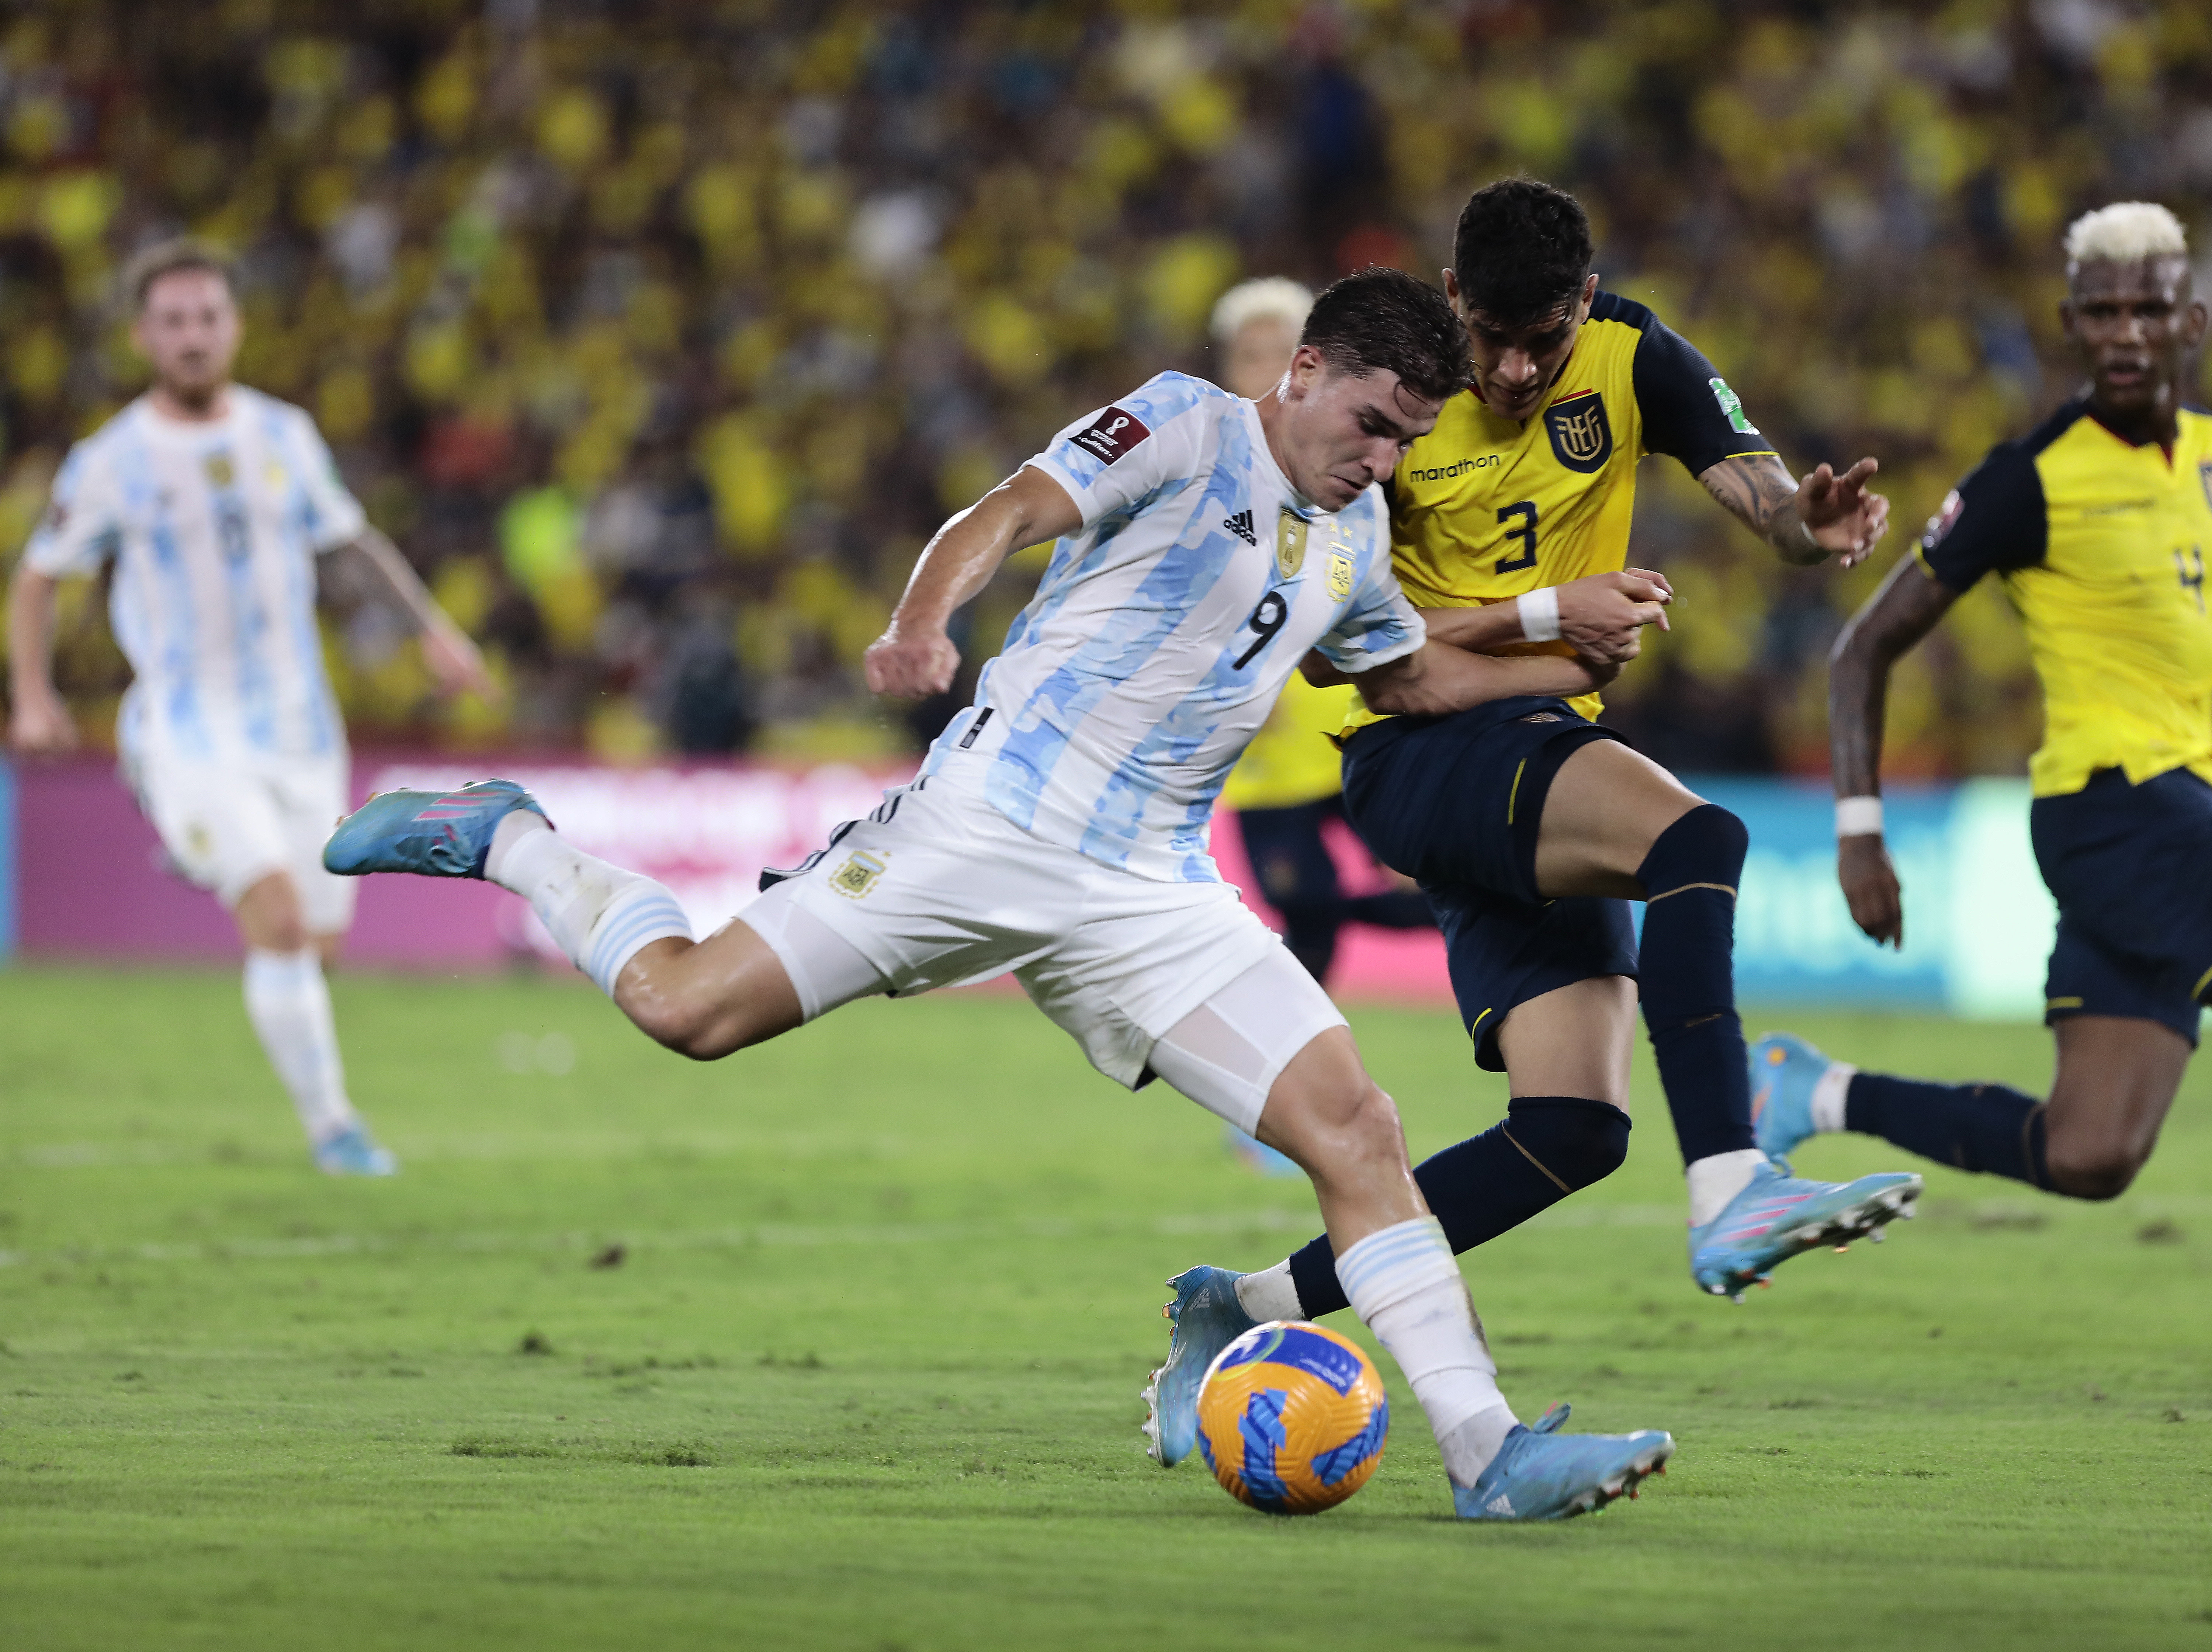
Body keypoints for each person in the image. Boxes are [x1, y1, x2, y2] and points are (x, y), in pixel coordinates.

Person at [322, 269, 1679, 1518]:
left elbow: (1400, 678)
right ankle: (511, 839)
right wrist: (925, 618)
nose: (1382, 459)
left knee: (1357, 1128)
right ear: (1307, 371)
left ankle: (1486, 1452)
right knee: (687, 1010)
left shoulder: (1357, 527)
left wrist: (1565, 649)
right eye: (1373, 424)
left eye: (1406, 440)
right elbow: (1004, 516)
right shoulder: (1185, 424)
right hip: (986, 825)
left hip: (1153, 885)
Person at [1148, 183, 1922, 1449]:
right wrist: (1554, 616)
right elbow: (1352, 647)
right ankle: (1730, 1181)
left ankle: (1244, 1305)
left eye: (1539, 340)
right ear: (1454, 303)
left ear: (1583, 301)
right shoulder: (1390, 407)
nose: (1511, 369)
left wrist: (1806, 524)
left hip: (1528, 741)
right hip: (1415, 749)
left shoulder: (1632, 357)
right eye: (1491, 336)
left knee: (1571, 1132)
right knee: (1700, 841)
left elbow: (1764, 496)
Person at [1752, 202, 2212, 1395]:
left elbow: (2200, 633)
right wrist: (1860, 826)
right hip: (2116, 811)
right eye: (2103, 312)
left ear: (2191, 319)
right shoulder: (2030, 480)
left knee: (2090, 1152)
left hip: (2166, 809)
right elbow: (1862, 652)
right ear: (2071, 326)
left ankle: (1812, 1089)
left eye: (2150, 309)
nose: (2127, 332)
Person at [5, 239, 493, 1176]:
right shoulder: (111, 461)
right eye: (174, 322)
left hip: (300, 730)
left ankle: (203, 844)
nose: (193, 336)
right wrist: (33, 693)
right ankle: (336, 1130)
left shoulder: (284, 435)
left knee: (318, 944)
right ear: (146, 337)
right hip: (192, 729)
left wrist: (434, 629)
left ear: (234, 326)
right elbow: (38, 574)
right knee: (274, 919)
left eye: (208, 317)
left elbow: (350, 543)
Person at [1213, 277, 1435, 989]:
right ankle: (1285, 1083)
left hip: (1352, 733)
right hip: (1263, 757)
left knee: (1426, 890)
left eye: (1283, 351)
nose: (1270, 368)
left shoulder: (1365, 481)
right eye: (1253, 354)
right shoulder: (1202, 471)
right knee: (1302, 911)